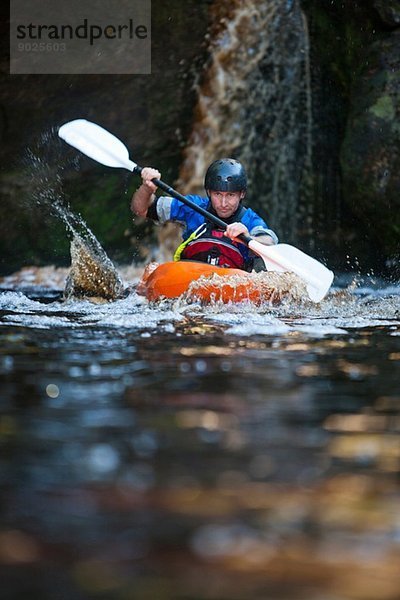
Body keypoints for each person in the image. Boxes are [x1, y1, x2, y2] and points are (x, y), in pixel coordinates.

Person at [131, 158, 278, 272]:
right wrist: (147, 188)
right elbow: (141, 209)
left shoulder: (250, 219)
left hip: (230, 286)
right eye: (217, 194)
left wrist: (248, 237)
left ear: (242, 194)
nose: (223, 202)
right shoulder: (193, 207)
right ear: (209, 192)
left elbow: (270, 242)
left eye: (231, 195)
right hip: (190, 278)